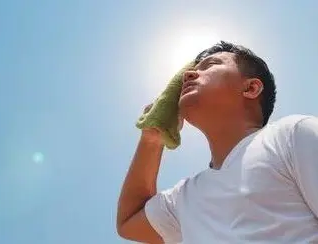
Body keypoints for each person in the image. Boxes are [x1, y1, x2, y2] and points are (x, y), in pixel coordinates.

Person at [116, 41, 318, 243]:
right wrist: (152, 138)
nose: (188, 75)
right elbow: (129, 222)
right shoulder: (184, 198)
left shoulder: (292, 134)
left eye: (210, 65)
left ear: (251, 88)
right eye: (191, 71)